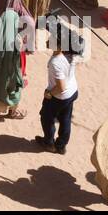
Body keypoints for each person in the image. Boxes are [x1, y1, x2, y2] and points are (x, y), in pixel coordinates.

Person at [37, 22, 80, 154]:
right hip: (72, 91)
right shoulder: (70, 54)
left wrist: (49, 93)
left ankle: (49, 143)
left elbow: (60, 87)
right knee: (65, 118)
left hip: (60, 96)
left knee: (46, 117)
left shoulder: (56, 62)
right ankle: (61, 145)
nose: (48, 39)